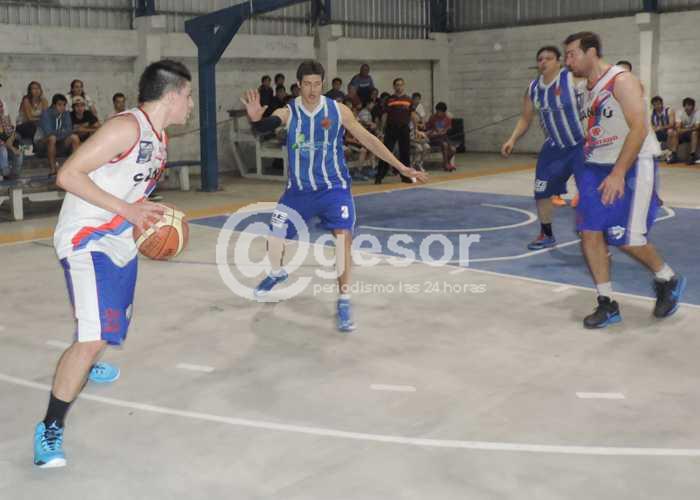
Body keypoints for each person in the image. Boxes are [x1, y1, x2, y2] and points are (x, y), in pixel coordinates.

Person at [33, 59, 192, 468]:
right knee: (93, 336)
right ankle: (50, 427)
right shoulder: (126, 129)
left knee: (110, 325)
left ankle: (89, 358)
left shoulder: (158, 137)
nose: (191, 104)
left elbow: (127, 185)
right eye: (188, 96)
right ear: (171, 96)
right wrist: (128, 210)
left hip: (119, 238)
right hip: (87, 239)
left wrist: (149, 213)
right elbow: (68, 175)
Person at [240, 60, 427, 332]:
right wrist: (256, 120)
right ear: (299, 85)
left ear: (323, 84)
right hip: (299, 191)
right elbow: (267, 125)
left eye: (317, 84)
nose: (312, 90)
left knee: (343, 239)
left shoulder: (338, 110)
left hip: (334, 189)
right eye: (307, 84)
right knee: (274, 237)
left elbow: (368, 139)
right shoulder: (289, 111)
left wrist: (401, 166)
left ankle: (344, 300)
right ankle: (277, 273)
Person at [564, 31, 685, 329]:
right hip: (596, 165)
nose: (568, 61)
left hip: (632, 164)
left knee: (627, 239)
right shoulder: (583, 89)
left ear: (591, 52)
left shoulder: (621, 80)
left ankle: (667, 278)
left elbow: (639, 128)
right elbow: (593, 131)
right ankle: (606, 302)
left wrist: (618, 173)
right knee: (589, 231)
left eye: (572, 54)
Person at [501, 46, 585, 250]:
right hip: (553, 148)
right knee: (541, 191)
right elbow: (525, 118)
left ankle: (594, 234)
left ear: (559, 61)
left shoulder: (572, 78)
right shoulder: (533, 88)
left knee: (588, 192)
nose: (544, 62)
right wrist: (512, 139)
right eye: (540, 59)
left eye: (549, 58)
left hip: (580, 146)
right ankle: (546, 234)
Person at [375, 78, 416, 184]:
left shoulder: (409, 100)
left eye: (401, 85)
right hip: (391, 128)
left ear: (404, 86)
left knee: (405, 153)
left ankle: (405, 176)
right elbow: (385, 115)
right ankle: (379, 176)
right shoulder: (389, 99)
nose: (399, 87)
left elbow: (412, 115)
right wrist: (381, 130)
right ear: (394, 86)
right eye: (397, 85)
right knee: (386, 152)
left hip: (404, 129)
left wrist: (416, 129)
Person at [36, 94, 80, 175]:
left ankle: (74, 167)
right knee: (52, 138)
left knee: (74, 137)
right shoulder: (46, 114)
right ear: (53, 105)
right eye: (59, 105)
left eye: (64, 105)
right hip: (42, 145)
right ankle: (53, 169)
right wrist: (63, 132)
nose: (62, 107)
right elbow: (49, 133)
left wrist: (64, 132)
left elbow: (69, 130)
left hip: (58, 143)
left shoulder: (66, 114)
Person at [426, 102, 457, 172]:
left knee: (453, 149)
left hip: (444, 137)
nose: (438, 113)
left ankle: (446, 162)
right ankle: (446, 165)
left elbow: (449, 128)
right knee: (444, 145)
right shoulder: (432, 117)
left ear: (444, 112)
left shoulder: (448, 118)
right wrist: (433, 132)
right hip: (435, 138)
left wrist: (445, 131)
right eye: (437, 111)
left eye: (440, 112)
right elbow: (428, 128)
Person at [16, 81, 48, 146]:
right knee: (32, 127)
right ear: (30, 91)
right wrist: (41, 119)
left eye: (38, 88)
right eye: (33, 88)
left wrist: (43, 120)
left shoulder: (44, 101)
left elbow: (46, 116)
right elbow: (29, 118)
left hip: (37, 124)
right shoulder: (26, 100)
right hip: (24, 124)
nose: (36, 90)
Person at [0, 99, 23, 179]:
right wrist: (11, 147)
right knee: (3, 150)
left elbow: (11, 132)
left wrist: (11, 138)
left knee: (19, 154)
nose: (1, 109)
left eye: (1, 107)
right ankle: (5, 173)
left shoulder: (4, 117)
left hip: (6, 146)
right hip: (3, 148)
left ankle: (14, 175)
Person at [674, 97, 699, 164]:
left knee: (694, 133)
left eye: (689, 105)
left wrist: (684, 129)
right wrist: (683, 129)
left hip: (692, 133)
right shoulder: (680, 112)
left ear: (693, 106)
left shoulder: (697, 113)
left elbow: (697, 127)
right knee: (675, 133)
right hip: (684, 133)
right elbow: (678, 127)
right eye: (685, 105)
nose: (687, 107)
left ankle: (692, 156)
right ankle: (674, 155)